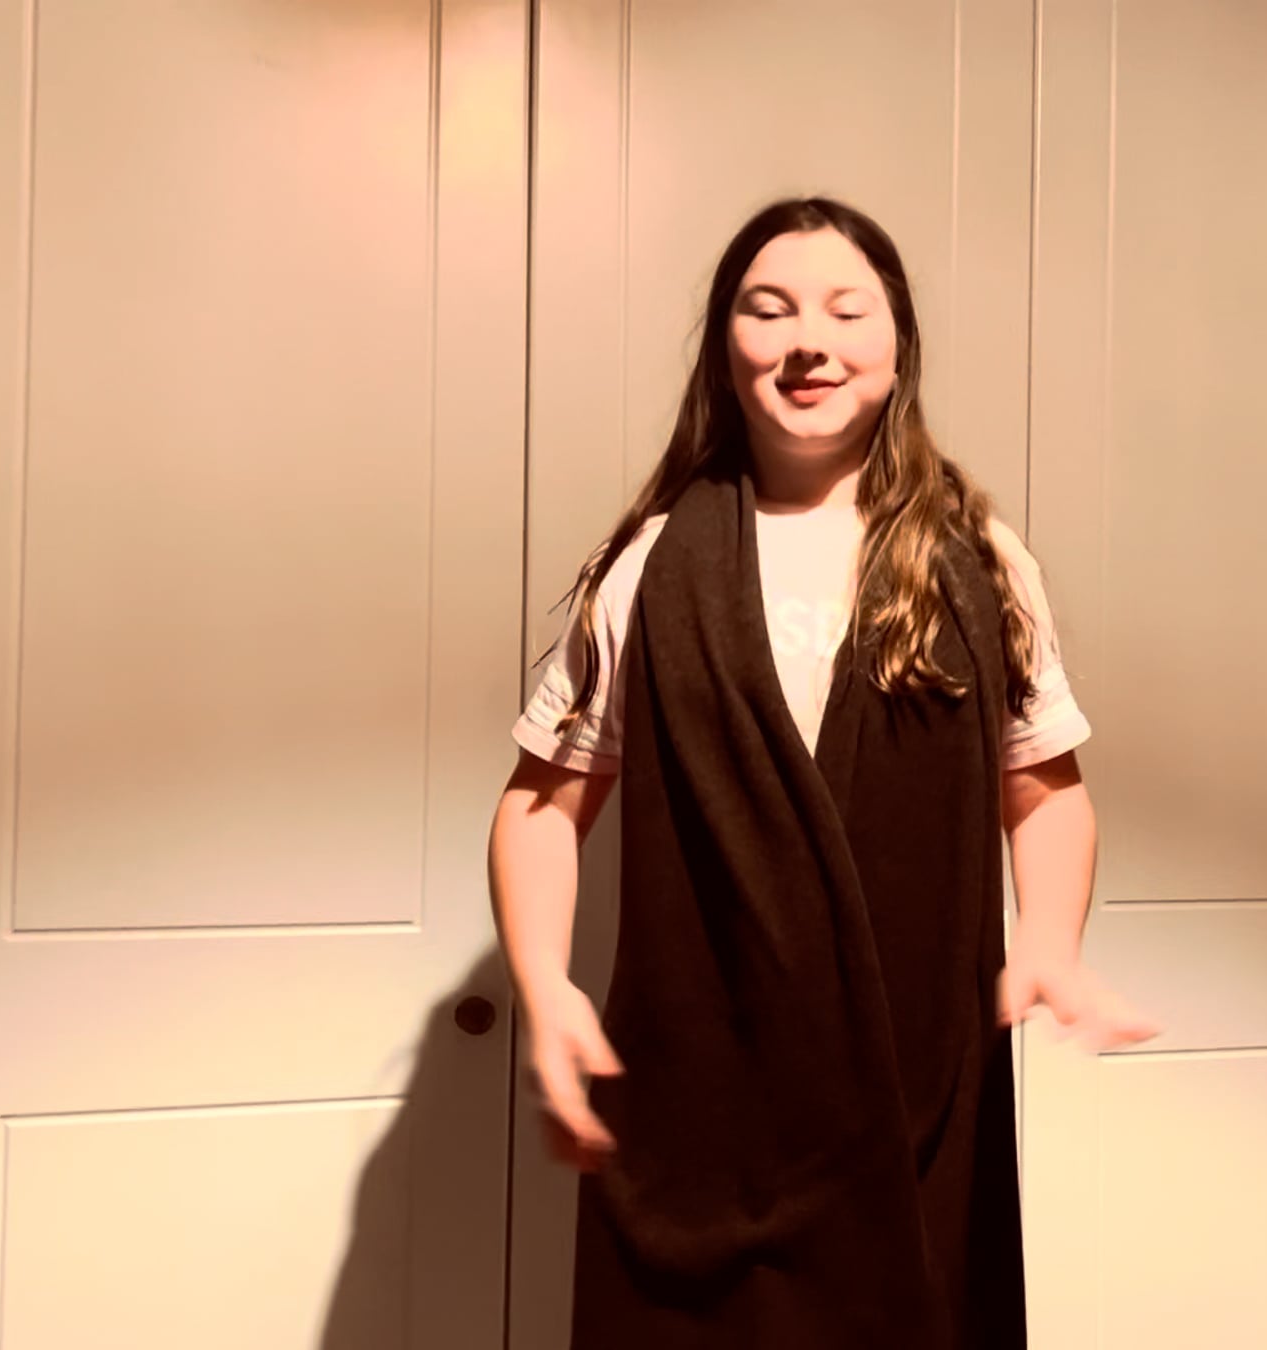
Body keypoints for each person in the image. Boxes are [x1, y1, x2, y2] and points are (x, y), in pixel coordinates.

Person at [486, 196, 1158, 1349]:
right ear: (724, 346)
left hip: (917, 1096)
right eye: (770, 308)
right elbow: (543, 803)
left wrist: (1051, 939)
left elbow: (1044, 786)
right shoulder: (646, 566)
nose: (810, 340)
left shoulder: (980, 561)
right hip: (702, 1109)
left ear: (897, 348)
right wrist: (545, 987)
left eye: (849, 311)